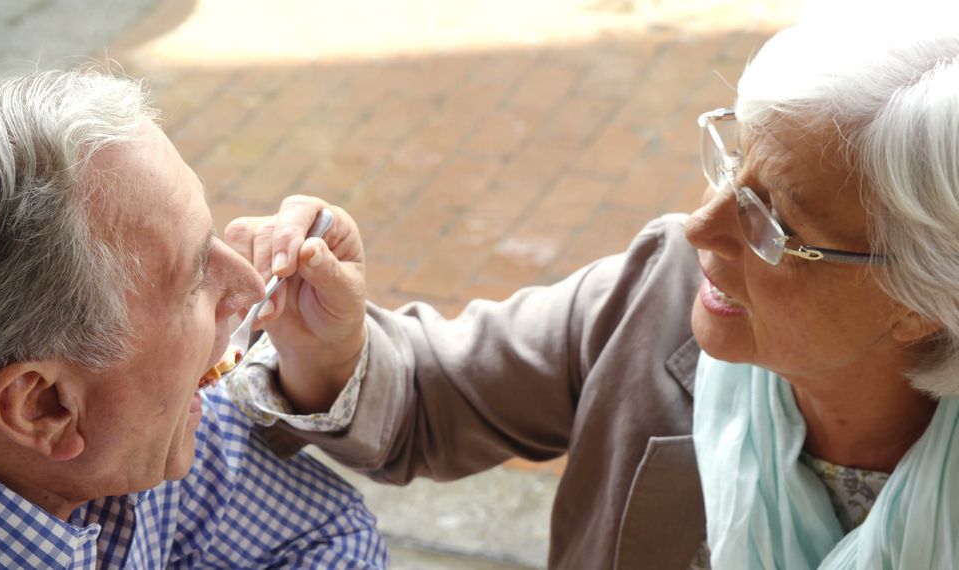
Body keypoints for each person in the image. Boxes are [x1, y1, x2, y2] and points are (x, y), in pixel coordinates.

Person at [221, 22, 959, 569]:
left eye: (772, 221)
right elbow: (428, 394)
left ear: (924, 297)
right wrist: (329, 343)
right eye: (732, 162)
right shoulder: (659, 293)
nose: (702, 227)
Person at [0, 70, 387, 568]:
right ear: (43, 407)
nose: (251, 287)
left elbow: (332, 534)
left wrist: (322, 358)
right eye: (193, 279)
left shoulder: (131, 418)